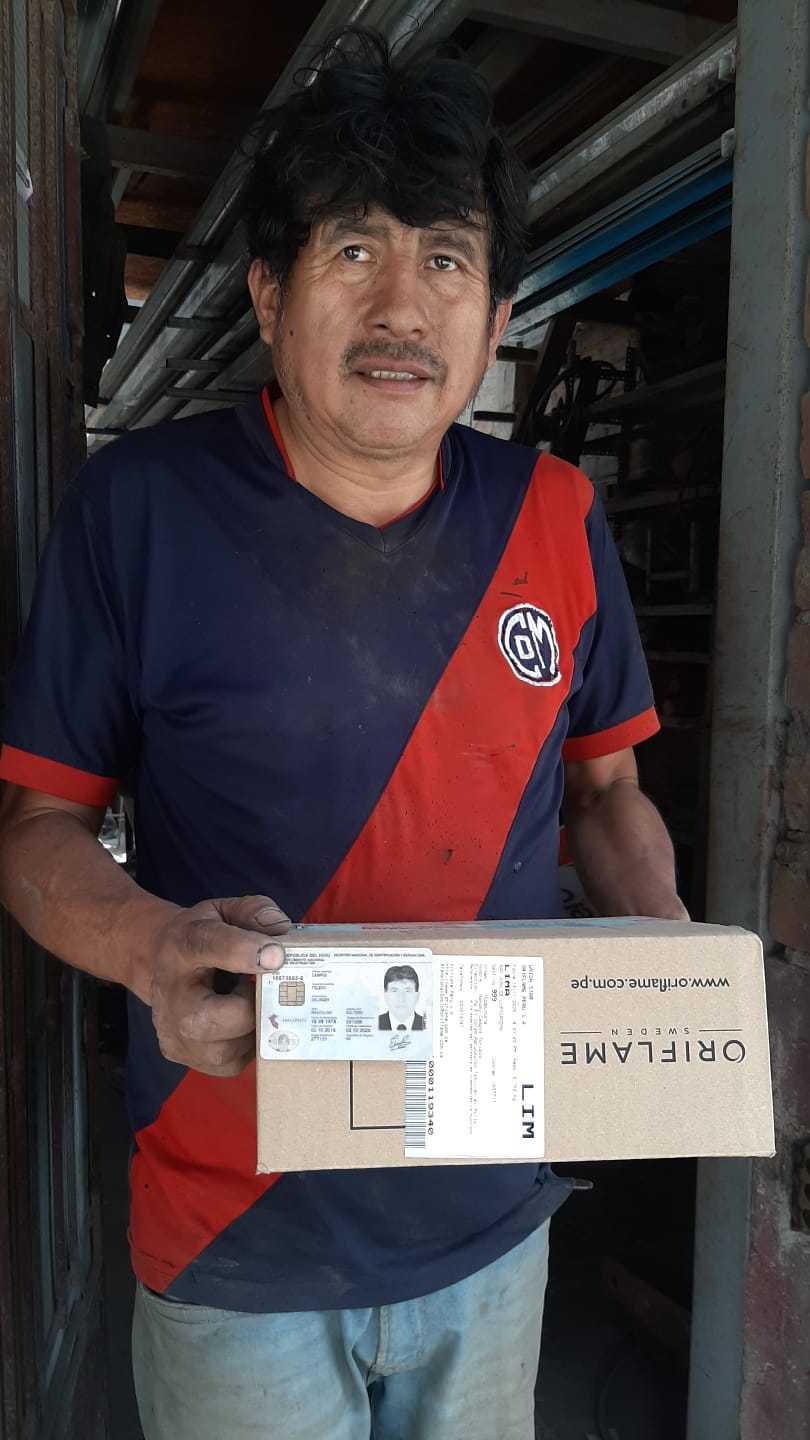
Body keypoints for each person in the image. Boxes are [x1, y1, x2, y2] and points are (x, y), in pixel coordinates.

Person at [0, 28, 686, 1440]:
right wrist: (150, 949)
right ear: (270, 290)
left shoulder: (554, 517)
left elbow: (605, 793)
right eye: (354, 250)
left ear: (498, 314)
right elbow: (37, 835)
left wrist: (663, 965)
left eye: (446, 260)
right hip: (231, 1223)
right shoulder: (143, 512)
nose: (401, 307)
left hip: (490, 1209)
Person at [377, 964, 426, 1030]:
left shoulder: (429, 1026)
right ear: (385, 995)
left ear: (417, 996)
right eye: (394, 991)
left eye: (407, 991)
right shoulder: (374, 1024)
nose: (401, 999)